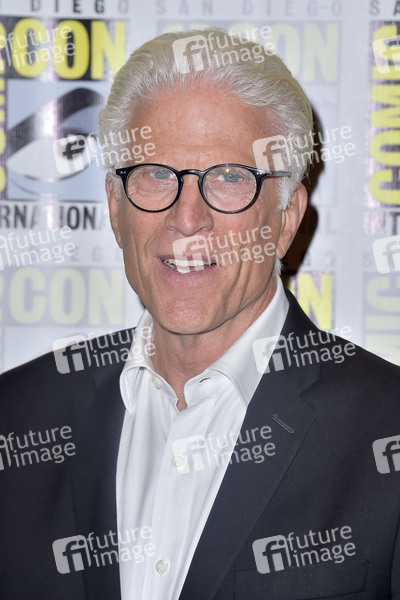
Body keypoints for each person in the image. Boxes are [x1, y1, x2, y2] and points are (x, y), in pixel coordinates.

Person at [0, 28, 399, 600]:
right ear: (115, 208)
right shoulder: (15, 418)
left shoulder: (386, 430)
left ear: (285, 220)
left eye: (230, 178)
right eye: (156, 174)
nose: (187, 218)